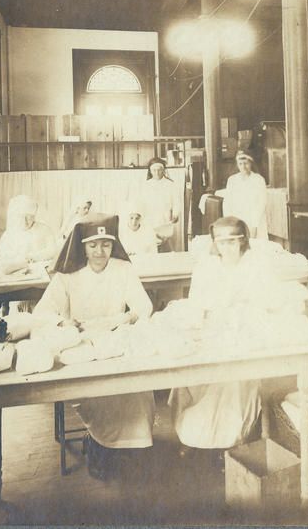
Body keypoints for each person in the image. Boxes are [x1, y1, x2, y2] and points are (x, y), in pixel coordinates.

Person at [33, 217, 154, 480]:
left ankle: (129, 448)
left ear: (114, 246)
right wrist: (63, 321)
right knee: (97, 392)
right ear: (83, 248)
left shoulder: (124, 269)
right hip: (82, 344)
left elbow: (143, 307)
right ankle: (100, 443)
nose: (100, 252)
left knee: (138, 388)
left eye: (106, 245)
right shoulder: (68, 275)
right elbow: (42, 311)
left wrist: (128, 317)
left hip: (117, 338)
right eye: (93, 246)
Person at [169, 217, 283, 452]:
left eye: (233, 242)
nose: (227, 248)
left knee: (235, 378)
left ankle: (232, 438)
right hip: (212, 329)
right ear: (214, 244)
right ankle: (193, 432)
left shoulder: (256, 264)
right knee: (197, 369)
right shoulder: (206, 266)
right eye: (221, 243)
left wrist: (245, 310)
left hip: (246, 330)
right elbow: (197, 303)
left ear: (243, 241)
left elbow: (270, 300)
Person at [0, 195, 57, 274]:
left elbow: (53, 251)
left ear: (34, 216)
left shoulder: (45, 229)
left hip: (39, 272)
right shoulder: (9, 233)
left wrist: (34, 257)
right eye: (21, 217)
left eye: (29, 217)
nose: (25, 221)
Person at [222, 151, 268, 239]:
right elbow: (227, 203)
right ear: (237, 165)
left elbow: (261, 203)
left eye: (246, 163)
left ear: (251, 163)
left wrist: (254, 226)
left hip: (254, 221)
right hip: (237, 220)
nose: (243, 166)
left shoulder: (258, 180)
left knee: (255, 247)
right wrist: (230, 222)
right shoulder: (232, 180)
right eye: (240, 164)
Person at [139, 157, 180, 252]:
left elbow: (176, 202)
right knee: (150, 246)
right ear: (150, 171)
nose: (157, 172)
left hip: (165, 219)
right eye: (154, 170)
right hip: (149, 219)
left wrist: (175, 214)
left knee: (166, 246)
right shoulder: (145, 185)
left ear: (163, 170)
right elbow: (141, 203)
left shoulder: (171, 185)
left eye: (159, 170)